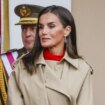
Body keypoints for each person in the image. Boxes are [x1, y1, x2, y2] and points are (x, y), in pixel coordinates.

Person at [7, 5, 93, 105]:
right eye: (40, 27)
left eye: (51, 26)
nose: (43, 32)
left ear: (67, 31)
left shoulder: (82, 69)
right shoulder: (22, 67)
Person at [0, 4, 43, 105]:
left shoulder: (55, 59)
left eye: (33, 28)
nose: (27, 34)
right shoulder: (6, 61)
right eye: (24, 29)